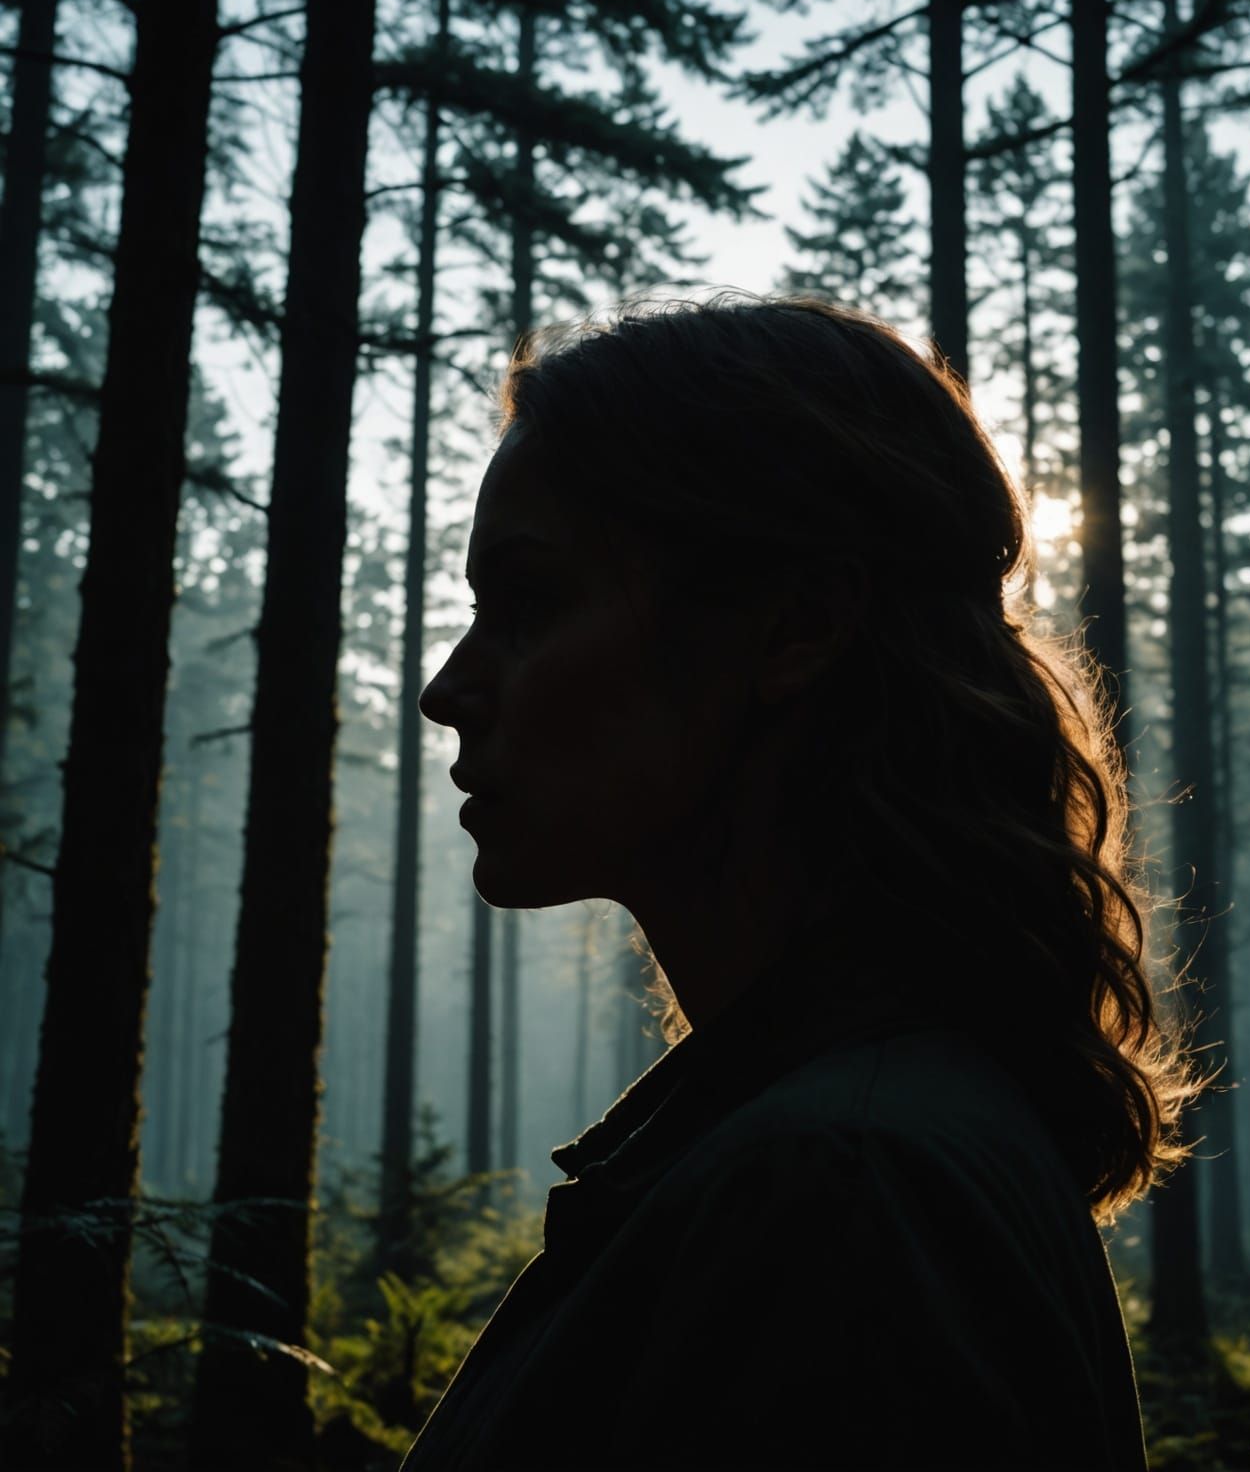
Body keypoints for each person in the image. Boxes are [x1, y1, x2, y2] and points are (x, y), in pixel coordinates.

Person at [408, 292, 1191, 1470]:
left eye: (529, 603)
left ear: (797, 627)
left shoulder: (840, 1190)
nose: (449, 689)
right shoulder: (843, 1145)